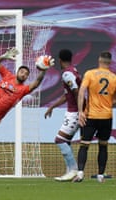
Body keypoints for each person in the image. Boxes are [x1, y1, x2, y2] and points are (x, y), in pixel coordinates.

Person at [73, 51, 116, 183]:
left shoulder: (90, 74)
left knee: (84, 145)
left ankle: (81, 173)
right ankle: (100, 176)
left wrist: (80, 111)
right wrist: (106, 102)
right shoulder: (115, 78)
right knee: (103, 146)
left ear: (99, 60)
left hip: (91, 115)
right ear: (110, 62)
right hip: (107, 117)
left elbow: (81, 91)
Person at [44, 49, 81, 181]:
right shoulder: (73, 70)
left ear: (59, 60)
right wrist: (52, 106)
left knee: (60, 140)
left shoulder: (67, 74)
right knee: (66, 141)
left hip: (75, 112)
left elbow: (76, 92)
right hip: (73, 111)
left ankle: (73, 170)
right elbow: (68, 95)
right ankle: (70, 171)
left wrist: (81, 111)